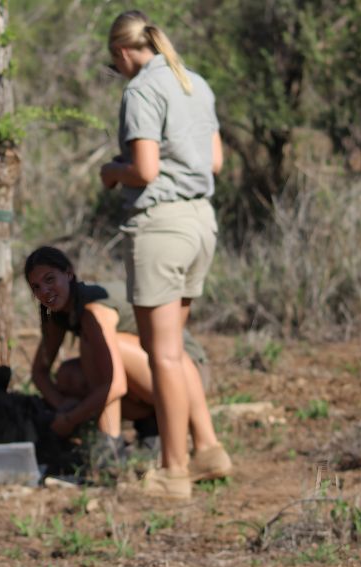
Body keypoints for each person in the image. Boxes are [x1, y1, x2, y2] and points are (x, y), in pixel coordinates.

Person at [98, 10, 231, 499]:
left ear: (122, 52)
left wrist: (114, 171)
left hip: (163, 225)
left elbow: (146, 170)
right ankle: (208, 448)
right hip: (201, 221)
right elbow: (215, 161)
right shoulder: (192, 81)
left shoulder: (140, 90)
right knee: (175, 347)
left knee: (164, 355)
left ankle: (173, 471)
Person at [25, 246, 224, 476]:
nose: (45, 291)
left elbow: (115, 384)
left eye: (50, 279)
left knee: (98, 351)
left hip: (185, 374)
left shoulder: (93, 309)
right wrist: (61, 404)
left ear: (69, 273)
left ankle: (110, 448)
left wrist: (70, 419)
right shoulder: (56, 314)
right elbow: (39, 372)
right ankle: (152, 425)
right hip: (149, 376)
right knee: (68, 376)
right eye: (36, 287)